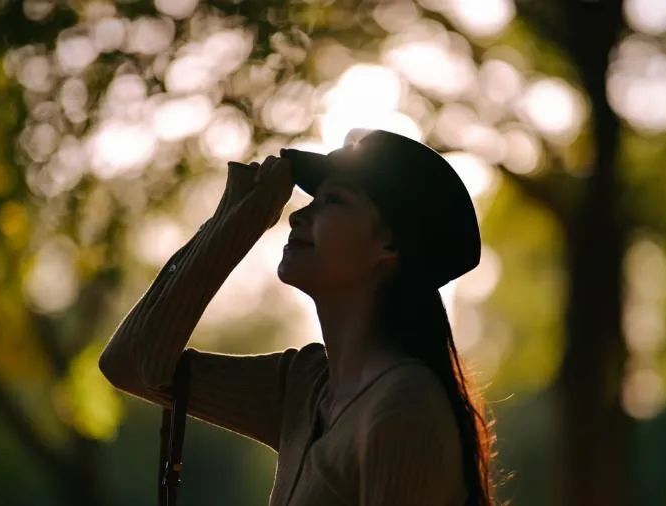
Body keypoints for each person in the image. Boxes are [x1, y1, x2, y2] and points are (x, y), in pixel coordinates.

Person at [99, 128, 499, 505]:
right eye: (310, 200)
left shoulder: (403, 409)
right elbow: (131, 364)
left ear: (389, 243)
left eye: (333, 201)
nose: (296, 216)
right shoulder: (301, 389)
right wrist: (234, 221)